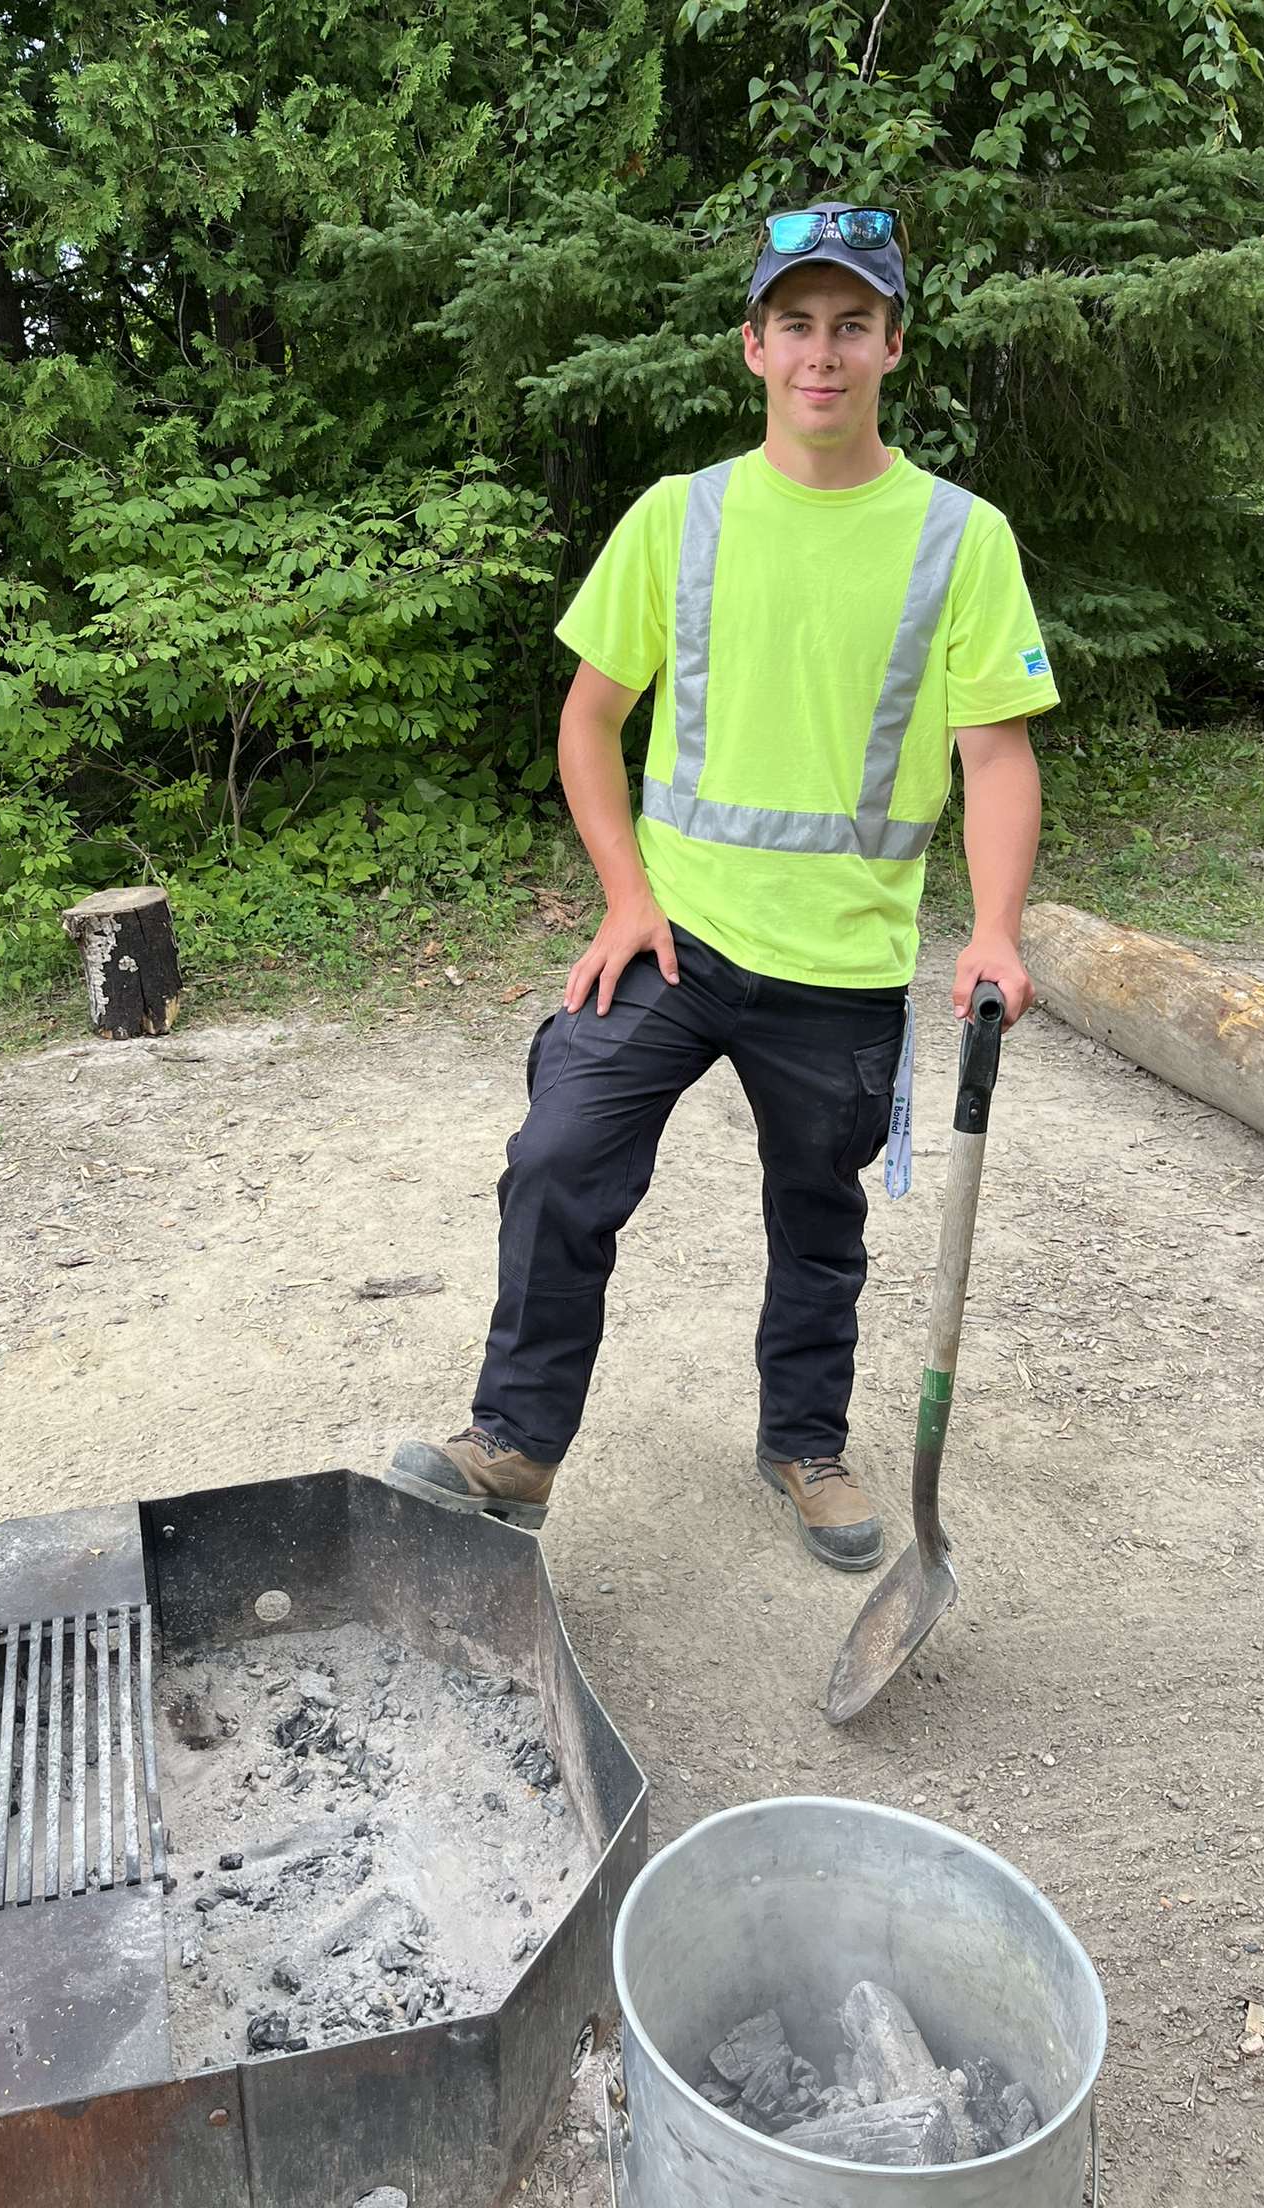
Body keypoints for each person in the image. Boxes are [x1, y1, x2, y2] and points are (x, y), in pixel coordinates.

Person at [384, 201, 1057, 1570]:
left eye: (851, 325)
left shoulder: (958, 538)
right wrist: (627, 898)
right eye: (797, 325)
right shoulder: (676, 519)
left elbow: (995, 756)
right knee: (559, 1156)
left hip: (845, 967)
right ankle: (514, 1446)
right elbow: (587, 720)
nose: (824, 352)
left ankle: (804, 1443)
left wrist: (991, 927)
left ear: (891, 347)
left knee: (820, 1219)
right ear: (754, 347)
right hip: (676, 944)